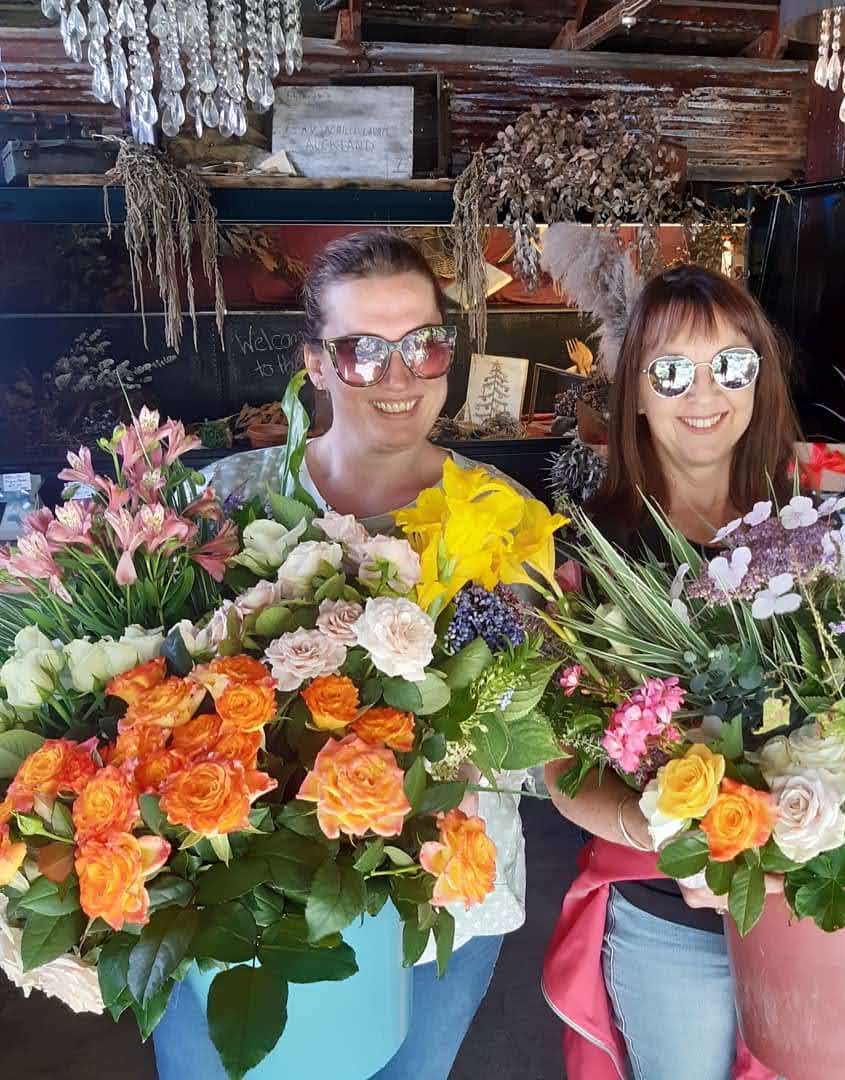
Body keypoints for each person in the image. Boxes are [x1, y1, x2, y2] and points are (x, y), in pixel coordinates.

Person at [157, 231, 529, 1080]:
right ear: (316, 365)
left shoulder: (502, 512)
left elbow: (533, 733)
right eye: (363, 351)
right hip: (240, 896)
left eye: (422, 345)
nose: (399, 377)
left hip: (442, 891)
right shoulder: (224, 504)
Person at [542, 265, 801, 1080]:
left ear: (760, 379)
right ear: (636, 396)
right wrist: (677, 834)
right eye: (672, 371)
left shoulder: (806, 538)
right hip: (668, 920)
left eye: (731, 365)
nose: (705, 393)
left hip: (808, 906)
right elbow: (560, 769)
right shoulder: (588, 557)